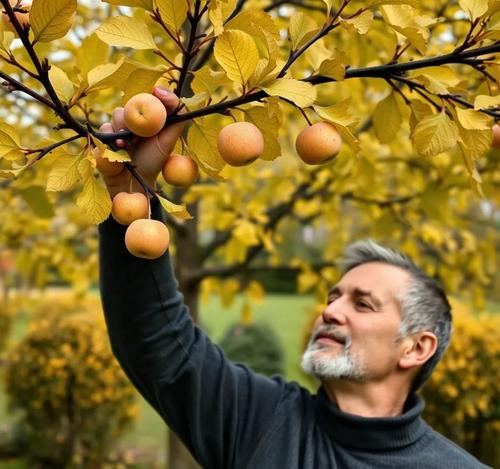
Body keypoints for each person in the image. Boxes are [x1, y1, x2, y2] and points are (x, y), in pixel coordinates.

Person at [98, 87, 489, 469]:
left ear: (416, 348)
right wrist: (132, 194)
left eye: (363, 303)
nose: (330, 311)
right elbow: (158, 347)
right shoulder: (262, 420)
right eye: (333, 297)